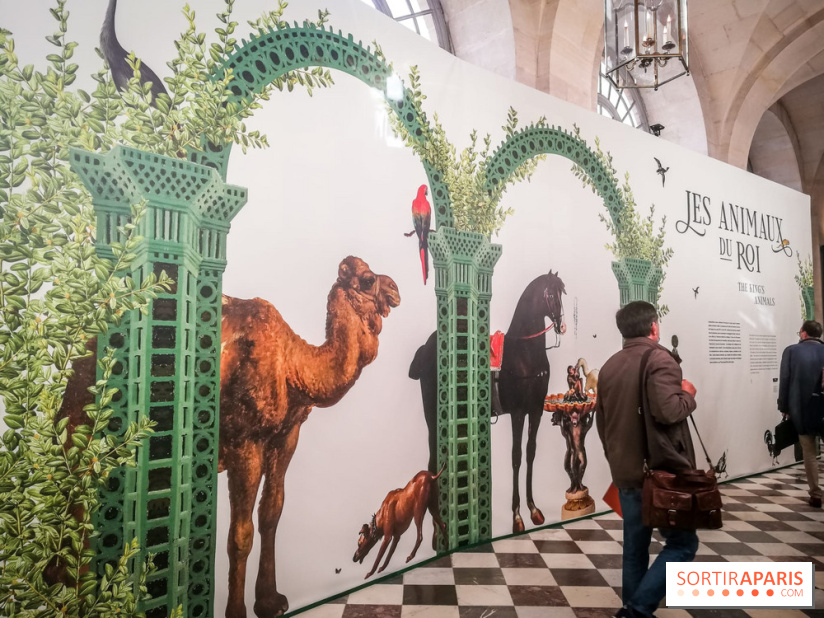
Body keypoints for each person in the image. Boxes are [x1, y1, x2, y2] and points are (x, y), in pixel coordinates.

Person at [595, 301, 699, 618]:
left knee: (635, 548)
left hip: (626, 471)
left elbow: (602, 423)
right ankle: (638, 609)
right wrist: (688, 394)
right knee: (682, 544)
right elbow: (668, 411)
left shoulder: (609, 366)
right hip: (660, 472)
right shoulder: (660, 359)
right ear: (654, 326)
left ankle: (632, 608)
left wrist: (617, 460)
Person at [777, 320, 824, 508]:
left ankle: (816, 494)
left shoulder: (791, 351)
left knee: (809, 452)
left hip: (801, 409)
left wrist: (783, 406)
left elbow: (785, 380)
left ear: (803, 333)